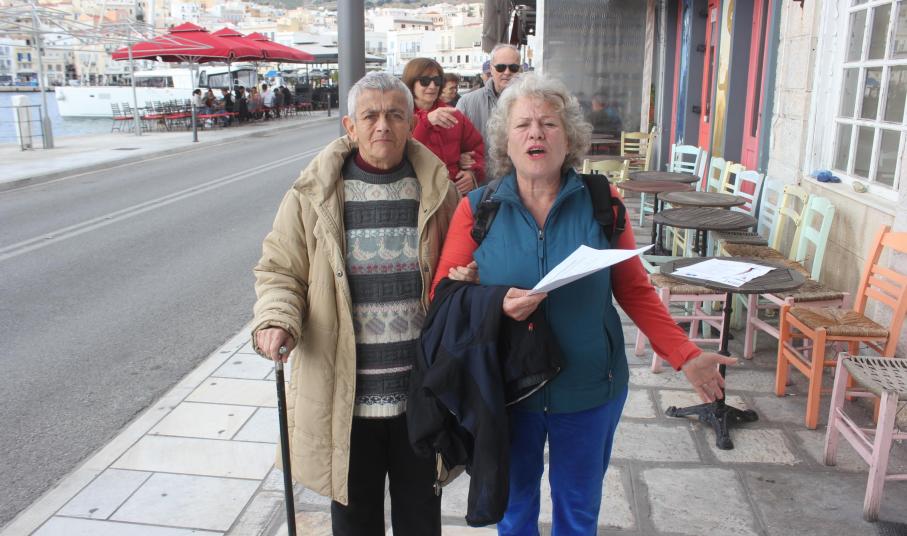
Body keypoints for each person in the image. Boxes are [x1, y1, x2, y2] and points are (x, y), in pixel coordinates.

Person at [432, 73, 735, 534]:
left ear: (569, 138)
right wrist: (492, 302)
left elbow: (633, 289)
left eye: (549, 123)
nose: (536, 133)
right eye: (522, 125)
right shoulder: (478, 209)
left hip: (591, 388)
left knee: (578, 512)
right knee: (514, 511)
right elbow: (442, 295)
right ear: (505, 142)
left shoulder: (601, 201)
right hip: (508, 392)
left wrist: (686, 354)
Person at [251, 71, 459, 536]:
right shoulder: (313, 194)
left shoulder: (439, 191)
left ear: (411, 123)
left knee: (421, 521)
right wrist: (277, 318)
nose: (382, 125)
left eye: (395, 115)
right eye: (370, 116)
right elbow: (280, 269)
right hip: (345, 402)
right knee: (354, 523)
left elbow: (461, 271)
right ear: (350, 126)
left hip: (420, 398)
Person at [403, 58, 485, 194]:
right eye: (425, 81)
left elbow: (476, 148)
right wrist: (425, 122)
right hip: (415, 194)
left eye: (437, 81)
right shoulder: (399, 116)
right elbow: (401, 153)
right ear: (411, 83)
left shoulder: (454, 114)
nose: (432, 86)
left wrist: (471, 173)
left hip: (452, 194)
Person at [457, 44, 522, 175]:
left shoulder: (533, 103)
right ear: (491, 69)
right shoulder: (467, 102)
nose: (507, 72)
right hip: (481, 182)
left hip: (520, 182)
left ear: (520, 70)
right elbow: (452, 142)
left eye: (513, 68)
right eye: (501, 67)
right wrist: (460, 157)